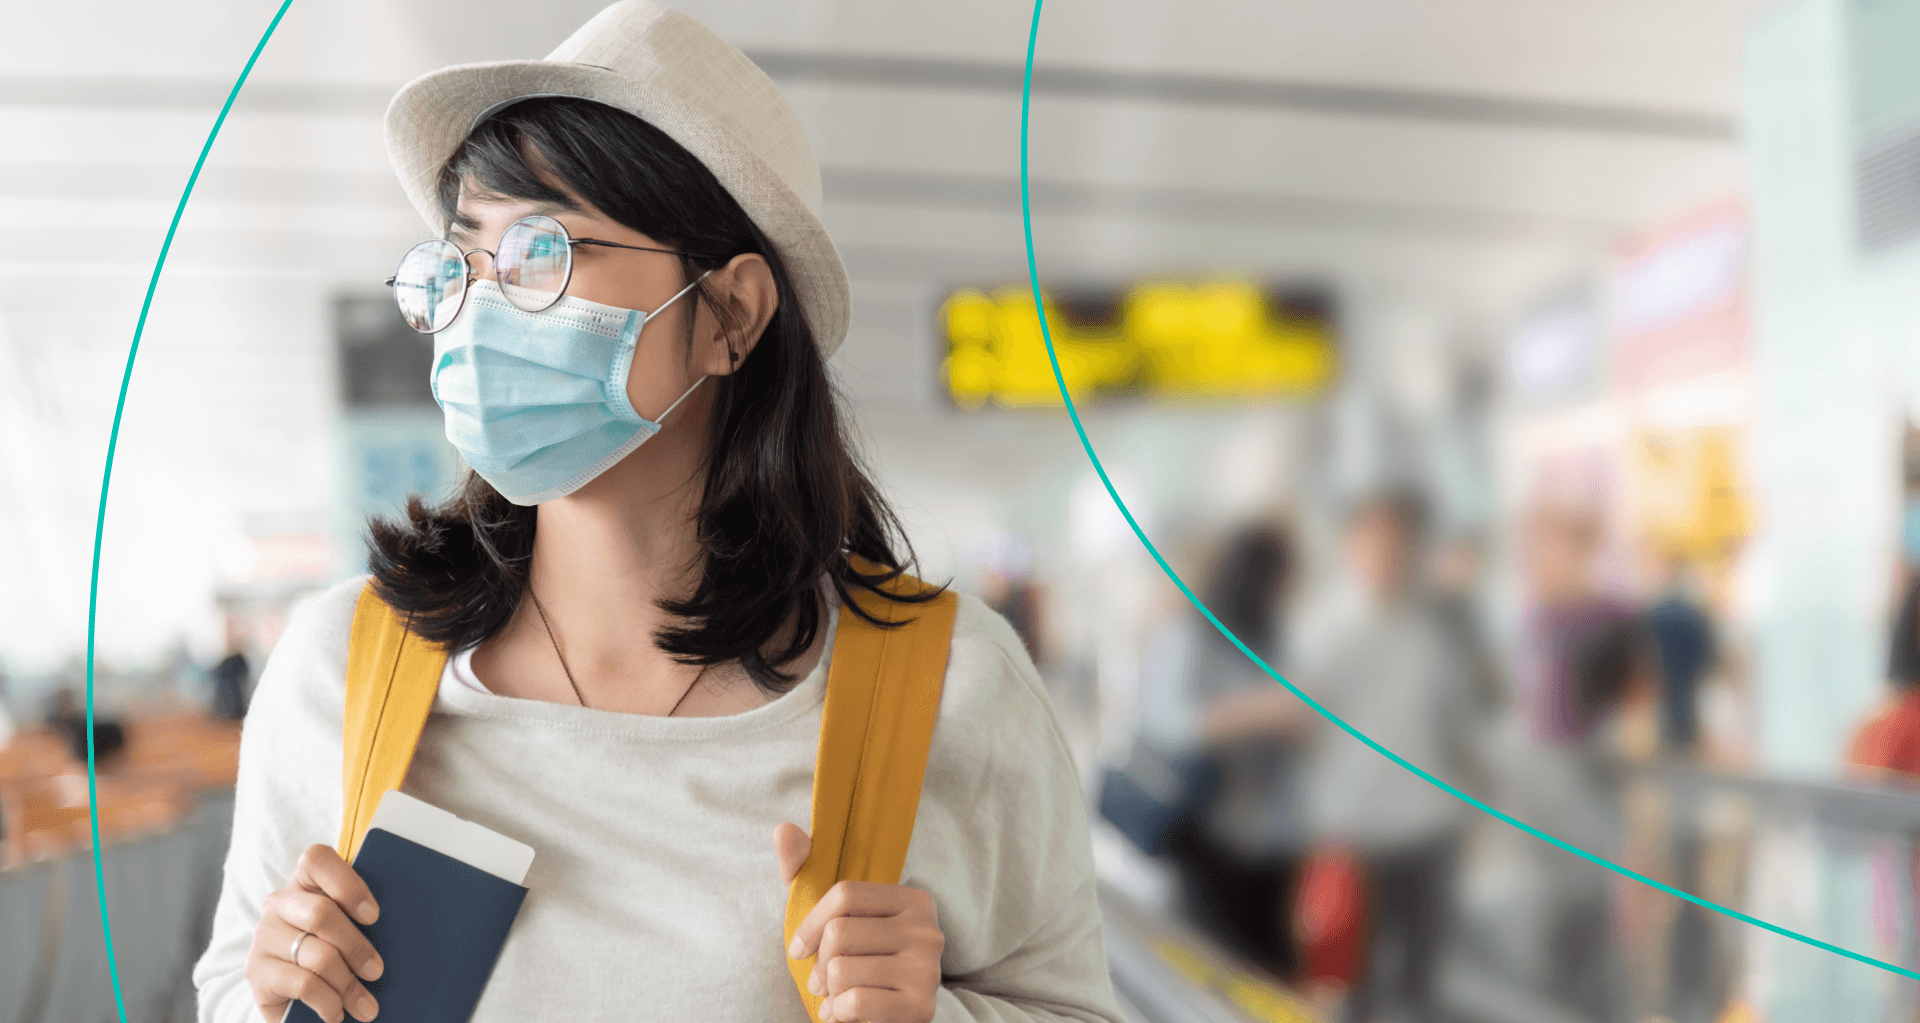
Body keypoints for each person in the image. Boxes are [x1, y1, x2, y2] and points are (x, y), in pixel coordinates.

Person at [191, 7, 1125, 1023]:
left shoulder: (951, 691)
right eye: (463, 262)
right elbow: (235, 989)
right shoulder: (340, 668)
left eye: (545, 253)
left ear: (730, 315)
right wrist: (276, 995)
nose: (480, 308)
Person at [1286, 488, 1485, 1023]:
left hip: (1428, 830)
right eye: (1375, 541)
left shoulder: (1431, 632)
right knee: (1356, 988)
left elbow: (1457, 724)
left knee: (1420, 984)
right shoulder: (1321, 630)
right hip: (1356, 838)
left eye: (1400, 542)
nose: (1388, 554)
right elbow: (1295, 728)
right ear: (1352, 546)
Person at [1132, 521, 1306, 981]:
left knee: (1271, 974)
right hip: (1208, 835)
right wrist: (1257, 712)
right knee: (1211, 973)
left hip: (1273, 835)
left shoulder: (1273, 635)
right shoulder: (1189, 634)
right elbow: (1165, 723)